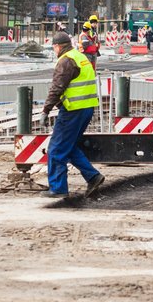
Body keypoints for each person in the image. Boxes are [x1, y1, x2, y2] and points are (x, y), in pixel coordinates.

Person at [40, 31, 105, 199]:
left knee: (56, 148)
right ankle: (93, 176)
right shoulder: (79, 56)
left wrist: (46, 110)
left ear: (57, 46)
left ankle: (58, 188)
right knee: (69, 146)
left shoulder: (66, 61)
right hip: (87, 108)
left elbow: (57, 88)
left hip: (73, 110)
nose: (54, 51)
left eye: (53, 48)